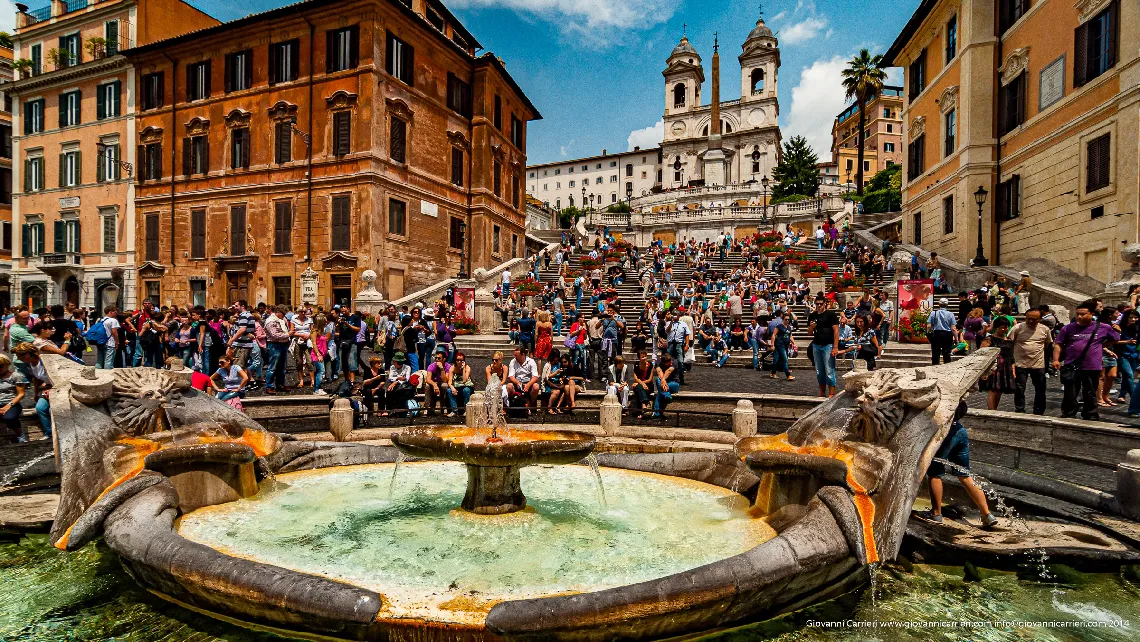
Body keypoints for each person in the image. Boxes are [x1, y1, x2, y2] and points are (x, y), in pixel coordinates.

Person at [919, 401, 999, 529]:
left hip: (944, 432)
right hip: (959, 430)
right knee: (965, 475)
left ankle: (936, 513)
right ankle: (987, 515)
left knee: (935, 473)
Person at [1054, 299, 1118, 421]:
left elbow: (1115, 338)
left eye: (1083, 314)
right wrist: (1056, 359)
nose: (1079, 316)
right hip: (1072, 365)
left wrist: (1103, 344)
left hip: (1092, 366)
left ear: (1092, 314)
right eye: (1077, 314)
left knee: (1090, 392)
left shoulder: (1103, 327)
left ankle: (1090, 414)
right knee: (1070, 392)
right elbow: (1058, 344)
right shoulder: (1068, 328)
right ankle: (1068, 413)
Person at [1008, 309, 1051, 415]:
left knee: (1040, 388)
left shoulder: (1045, 329)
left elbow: (1047, 345)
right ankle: (1020, 409)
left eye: (1034, 319)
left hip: (1038, 363)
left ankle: (1039, 410)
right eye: (1029, 319)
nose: (1031, 321)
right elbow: (1009, 343)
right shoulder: (1017, 328)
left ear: (1040, 319)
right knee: (1019, 388)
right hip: (1020, 363)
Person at [980, 317, 1016, 410]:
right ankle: (991, 411)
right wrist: (984, 371)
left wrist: (1013, 370)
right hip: (993, 367)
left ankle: (995, 409)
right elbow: (982, 354)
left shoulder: (1009, 340)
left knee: (1000, 389)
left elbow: (1011, 357)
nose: (1004, 329)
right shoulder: (989, 339)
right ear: (996, 327)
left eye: (1006, 327)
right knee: (992, 389)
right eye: (1002, 327)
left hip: (1005, 368)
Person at [807, 296, 839, 397]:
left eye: (821, 303)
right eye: (817, 304)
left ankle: (831, 393)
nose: (819, 306)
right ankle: (822, 392)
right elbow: (809, 333)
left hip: (828, 345)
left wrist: (835, 347)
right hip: (816, 345)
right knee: (819, 371)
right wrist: (811, 327)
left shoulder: (831, 315)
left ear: (825, 303)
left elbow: (836, 331)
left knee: (829, 370)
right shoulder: (812, 315)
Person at [0, 355, 29, 443]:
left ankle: (19, 434)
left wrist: (8, 406)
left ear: (6, 365)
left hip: (11, 403)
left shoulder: (16, 376)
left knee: (9, 417)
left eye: (0, 366)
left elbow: (21, 394)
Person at [927, 298, 958, 365]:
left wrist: (929, 334)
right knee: (946, 353)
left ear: (939, 304)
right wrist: (956, 339)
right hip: (947, 334)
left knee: (935, 353)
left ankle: (934, 367)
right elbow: (953, 328)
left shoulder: (933, 313)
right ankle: (947, 367)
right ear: (947, 304)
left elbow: (929, 326)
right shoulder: (950, 314)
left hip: (936, 334)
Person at [424, 352, 456, 417]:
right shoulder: (431, 366)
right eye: (436, 358)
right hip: (434, 383)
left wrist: (442, 369)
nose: (437, 360)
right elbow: (428, 379)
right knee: (427, 386)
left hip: (442, 383)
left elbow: (445, 380)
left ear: (444, 359)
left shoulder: (448, 366)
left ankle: (443, 407)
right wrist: (434, 385)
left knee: (444, 386)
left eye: (439, 358)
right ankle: (428, 408)